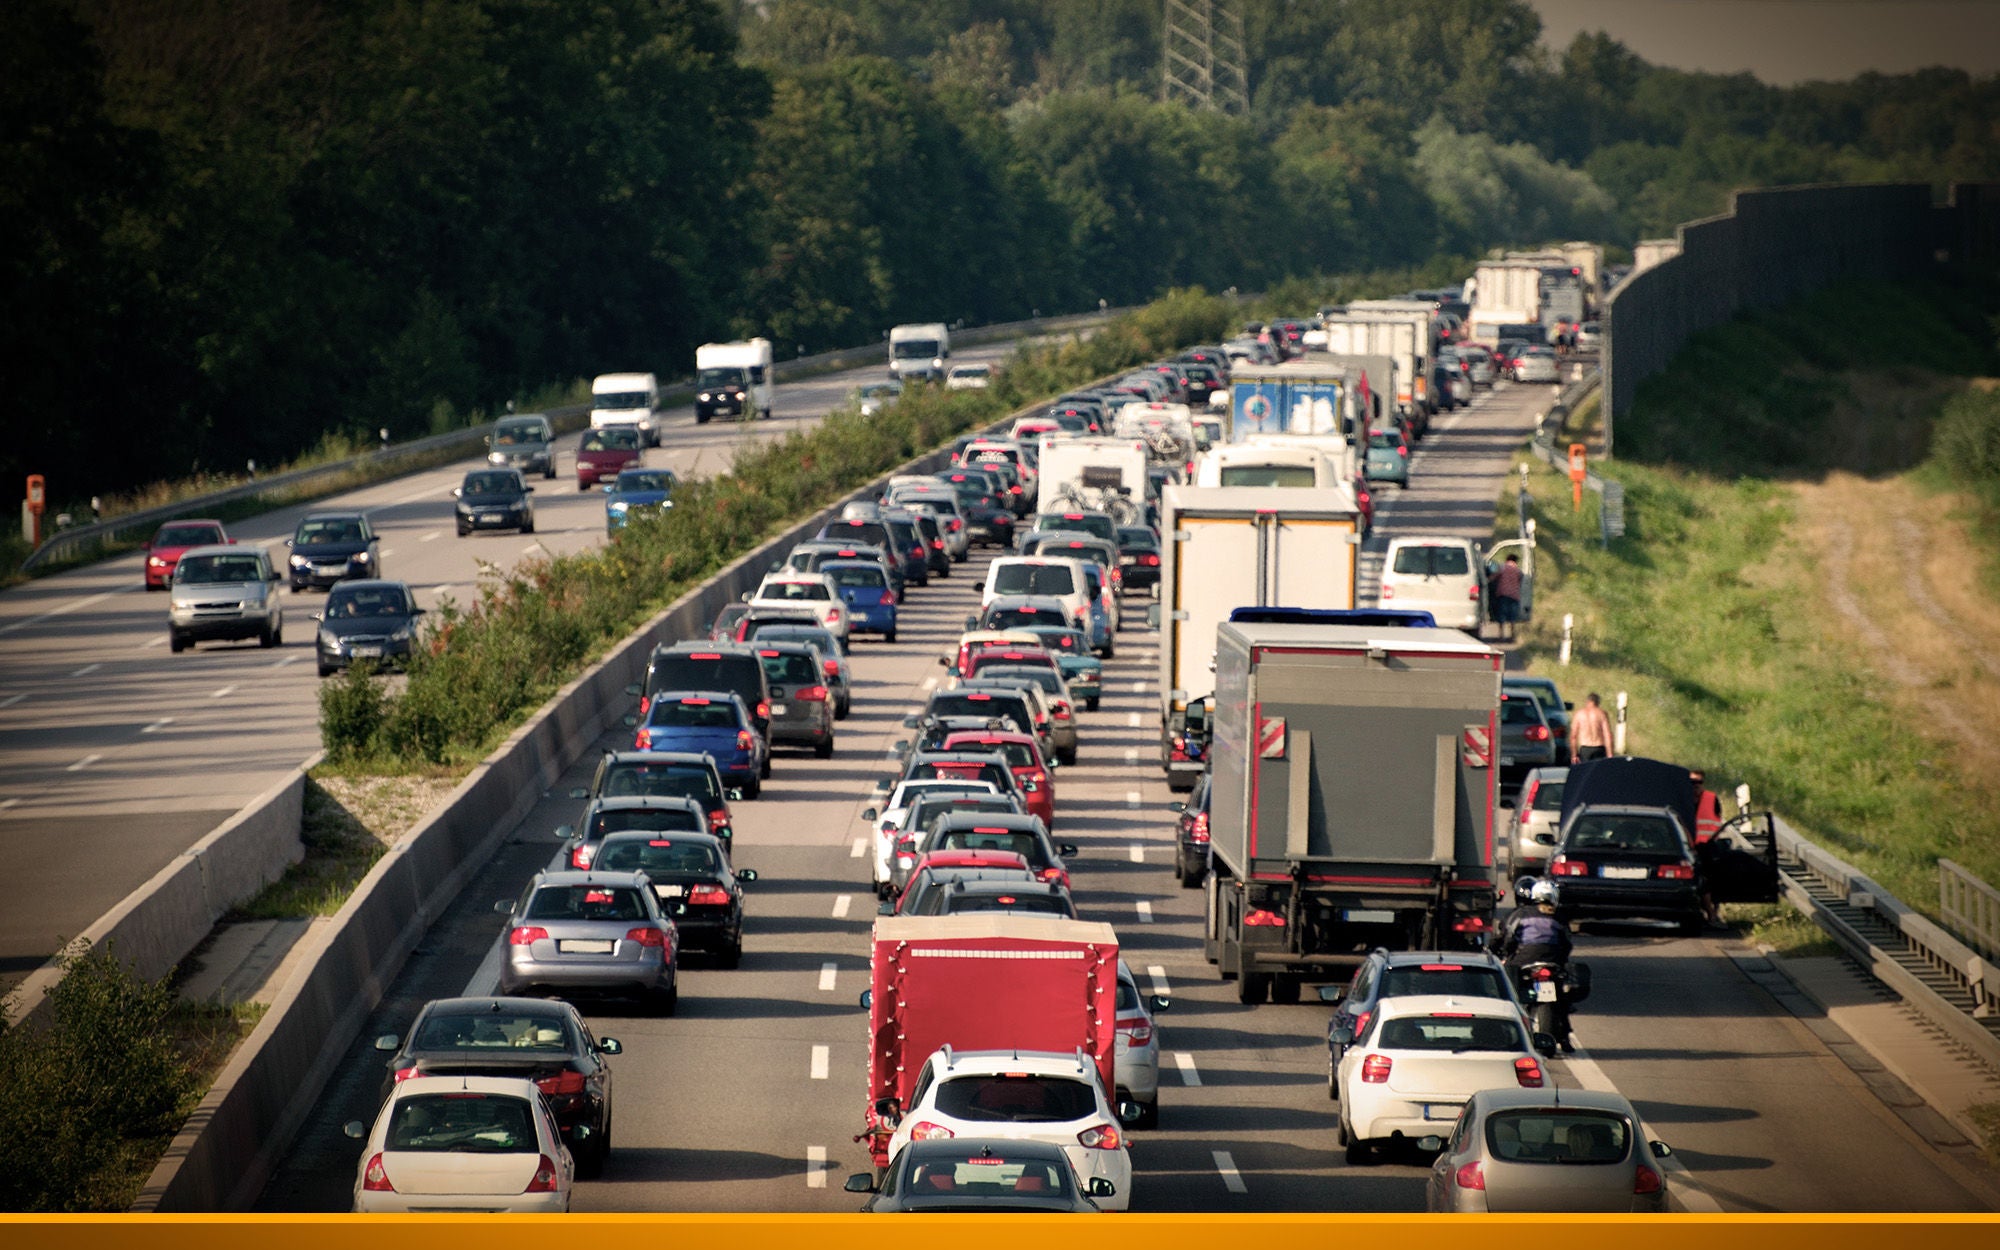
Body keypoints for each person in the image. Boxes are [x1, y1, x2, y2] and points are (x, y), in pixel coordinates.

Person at [1499, 879, 1572, 972]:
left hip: (1525, 959)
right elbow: (1566, 943)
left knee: (1507, 973)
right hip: (1553, 960)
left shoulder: (1521, 913)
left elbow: (1509, 937)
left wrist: (1507, 952)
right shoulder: (1559, 916)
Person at [1489, 554, 1523, 641]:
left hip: (1503, 594)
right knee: (1512, 616)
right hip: (1515, 595)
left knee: (1502, 615)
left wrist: (1487, 580)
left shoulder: (1503, 567)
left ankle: (1501, 635)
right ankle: (1512, 635)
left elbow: (1494, 577)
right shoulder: (1518, 570)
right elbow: (1520, 580)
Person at [1571, 692, 1612, 763]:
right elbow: (1607, 735)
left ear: (1587, 701)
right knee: (1598, 772)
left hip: (1585, 749)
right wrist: (1610, 754)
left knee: (1586, 772)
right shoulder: (1602, 714)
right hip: (1599, 748)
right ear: (1597, 702)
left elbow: (1573, 736)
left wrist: (1574, 754)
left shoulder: (1579, 714)